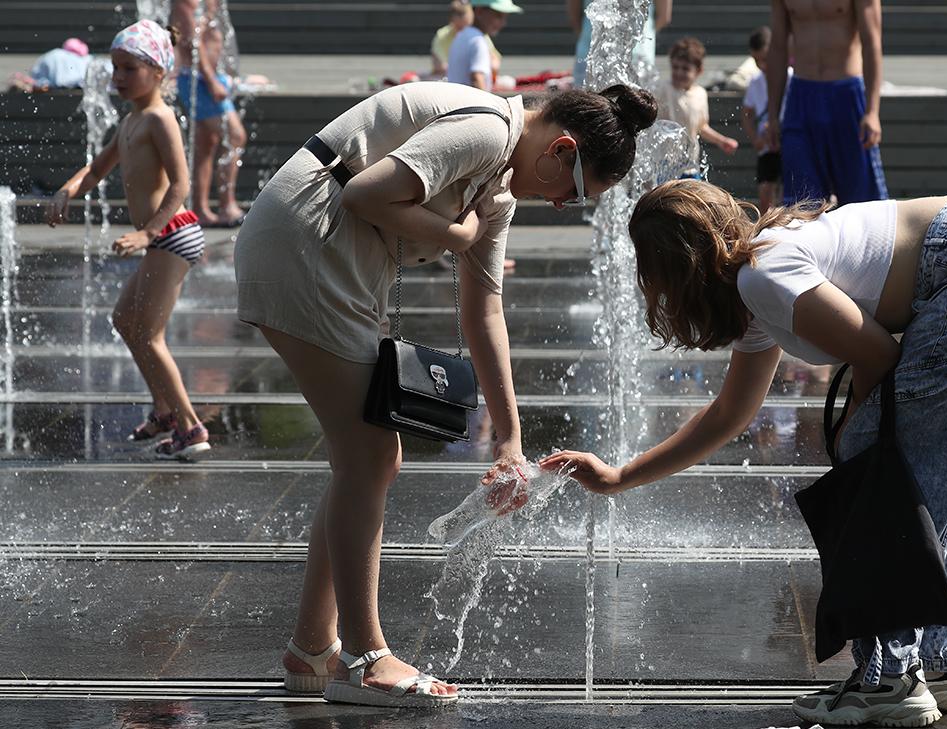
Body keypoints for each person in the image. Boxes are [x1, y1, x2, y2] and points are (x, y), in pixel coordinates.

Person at [541, 179, 947, 727]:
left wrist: (848, 432)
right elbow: (729, 414)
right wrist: (620, 476)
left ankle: (887, 678)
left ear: (675, 267)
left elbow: (878, 354)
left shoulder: (765, 274)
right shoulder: (761, 277)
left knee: (874, 465)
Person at [235, 80, 657, 708]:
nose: (564, 206)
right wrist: (458, 236)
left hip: (337, 262)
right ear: (561, 151)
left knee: (367, 457)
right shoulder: (487, 129)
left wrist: (511, 439)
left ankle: (314, 646)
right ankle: (366, 657)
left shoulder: (500, 189)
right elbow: (365, 192)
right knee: (370, 456)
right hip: (306, 242)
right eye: (575, 194)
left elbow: (484, 309)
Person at [45, 20, 210, 461]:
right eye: (115, 69)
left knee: (151, 335)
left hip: (173, 234)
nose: (118, 78)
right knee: (124, 321)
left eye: (128, 69)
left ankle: (190, 426)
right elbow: (96, 170)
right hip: (162, 239)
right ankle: (163, 411)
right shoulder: (131, 122)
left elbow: (181, 185)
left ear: (157, 71)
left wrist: (146, 233)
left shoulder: (159, 119)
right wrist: (67, 188)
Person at [766, 0, 887, 206]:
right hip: (801, 96)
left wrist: (872, 111)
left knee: (863, 205)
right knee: (801, 205)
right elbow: (778, 46)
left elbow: (872, 42)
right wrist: (773, 115)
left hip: (846, 95)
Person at [170, 0, 247, 228]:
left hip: (210, 76)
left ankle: (200, 209)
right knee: (235, 136)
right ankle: (227, 205)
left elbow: (212, 33)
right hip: (199, 78)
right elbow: (190, 40)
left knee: (206, 144)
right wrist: (212, 81)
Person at [654, 37, 739, 178]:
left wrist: (721, 140)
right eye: (675, 67)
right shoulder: (663, 89)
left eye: (685, 69)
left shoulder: (700, 94)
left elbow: (701, 127)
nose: (679, 72)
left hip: (690, 164)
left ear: (699, 71)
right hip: (665, 163)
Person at [740, 26, 788, 213]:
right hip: (767, 145)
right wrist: (755, 139)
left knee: (787, 191)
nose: (763, 65)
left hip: (787, 143)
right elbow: (746, 113)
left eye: (766, 59)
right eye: (757, 61)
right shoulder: (755, 82)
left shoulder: (790, 76)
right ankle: (768, 227)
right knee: (765, 191)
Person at [569, 0, 671, 88]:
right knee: (638, 108)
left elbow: (574, 16)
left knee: (587, 107)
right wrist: (641, 39)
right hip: (638, 55)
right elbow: (664, 16)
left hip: (590, 55)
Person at [446, 0, 520, 90]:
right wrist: (488, 103)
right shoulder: (477, 41)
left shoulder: (462, 35)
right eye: (498, 16)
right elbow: (477, 79)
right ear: (479, 11)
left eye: (505, 17)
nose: (503, 23)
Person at [9, 38, 91, 91]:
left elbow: (37, 76)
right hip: (83, 85)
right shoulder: (88, 59)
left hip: (54, 86)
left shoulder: (54, 55)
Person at [431, 0, 474, 78]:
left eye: (465, 28)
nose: (462, 32)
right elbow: (440, 66)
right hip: (446, 79)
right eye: (459, 28)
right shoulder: (442, 35)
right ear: (451, 20)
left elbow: (494, 62)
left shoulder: (477, 35)